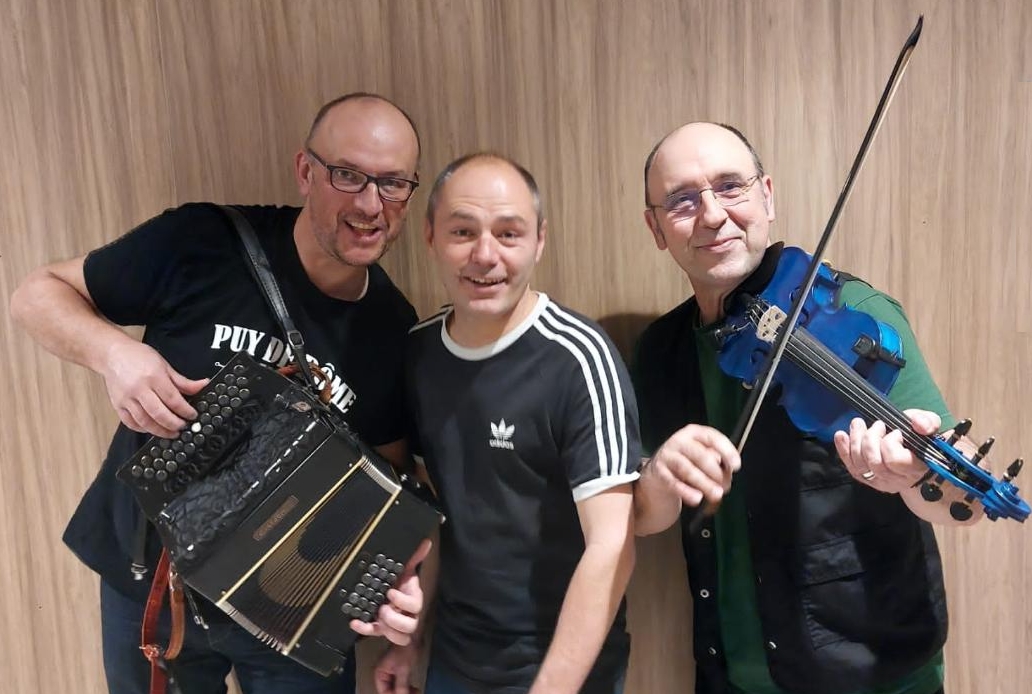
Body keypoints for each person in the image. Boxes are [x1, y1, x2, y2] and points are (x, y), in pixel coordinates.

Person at [10, 92, 430, 694]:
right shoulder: (203, 241)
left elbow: (387, 478)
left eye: (392, 183)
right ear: (305, 171)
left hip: (290, 599)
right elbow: (35, 295)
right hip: (156, 581)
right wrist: (115, 354)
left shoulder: (392, 325)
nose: (370, 204)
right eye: (347, 175)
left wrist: (392, 590)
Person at [631, 121, 983, 694]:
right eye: (682, 200)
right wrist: (658, 479)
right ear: (656, 228)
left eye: (730, 186)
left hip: (872, 677)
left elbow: (952, 490)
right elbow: (645, 516)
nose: (713, 215)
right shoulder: (661, 350)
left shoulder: (853, 315)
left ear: (767, 196)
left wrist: (916, 474)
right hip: (729, 676)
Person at [375, 153, 640, 694]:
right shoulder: (419, 352)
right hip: (456, 656)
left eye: (509, 233)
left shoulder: (579, 357)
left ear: (539, 241)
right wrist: (409, 639)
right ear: (430, 236)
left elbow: (613, 545)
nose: (485, 255)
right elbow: (432, 508)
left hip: (563, 665)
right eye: (462, 231)